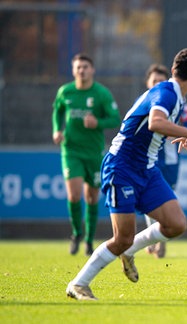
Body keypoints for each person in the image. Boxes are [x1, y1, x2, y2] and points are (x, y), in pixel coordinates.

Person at [66, 48, 187, 300]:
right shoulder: (167, 92)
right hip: (122, 167)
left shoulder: (174, 95)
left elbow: (149, 128)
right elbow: (155, 122)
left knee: (176, 224)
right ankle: (79, 283)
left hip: (146, 168)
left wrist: (178, 133)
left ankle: (130, 250)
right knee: (121, 237)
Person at [52, 53, 121, 256]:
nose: (81, 70)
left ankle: (89, 241)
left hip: (94, 152)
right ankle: (76, 233)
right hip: (71, 150)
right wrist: (57, 129)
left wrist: (97, 123)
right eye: (78, 67)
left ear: (92, 70)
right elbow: (57, 111)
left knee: (91, 197)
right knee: (73, 194)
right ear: (73, 70)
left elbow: (115, 118)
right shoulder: (65, 91)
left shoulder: (101, 94)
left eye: (85, 67)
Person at [142, 63, 187, 258]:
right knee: (149, 199)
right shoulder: (145, 102)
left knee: (166, 198)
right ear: (147, 82)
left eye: (160, 81)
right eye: (154, 80)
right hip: (149, 157)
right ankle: (156, 238)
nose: (157, 84)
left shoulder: (178, 101)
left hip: (171, 159)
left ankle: (159, 237)